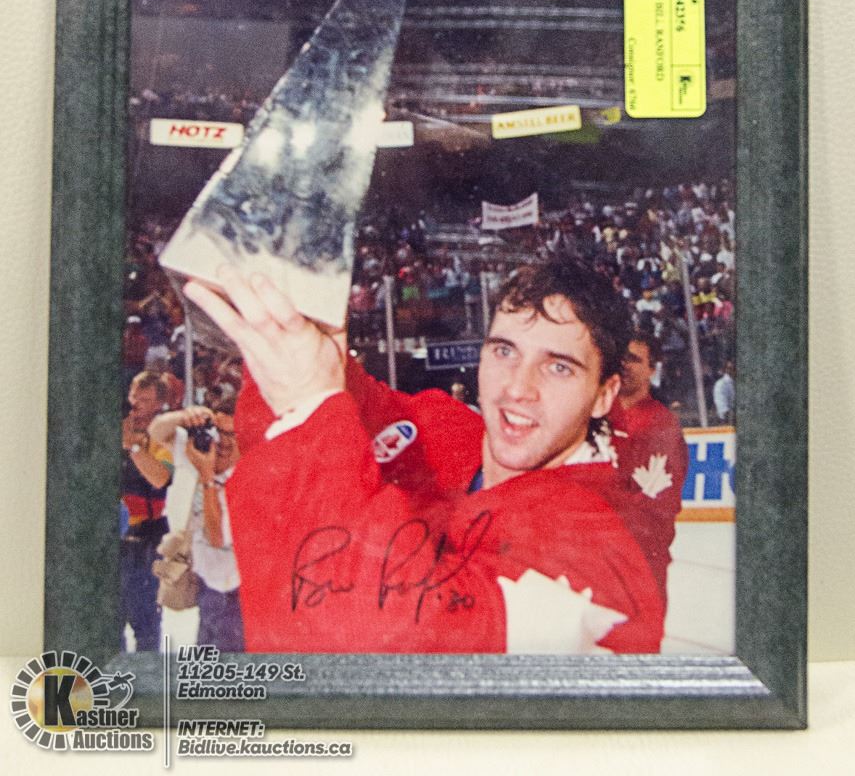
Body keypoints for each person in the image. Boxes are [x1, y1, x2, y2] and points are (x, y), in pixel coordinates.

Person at [184, 258, 665, 655]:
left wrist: (309, 404)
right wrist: (296, 330)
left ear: (604, 395)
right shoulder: (445, 430)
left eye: (558, 367)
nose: (518, 388)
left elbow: (364, 654)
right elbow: (341, 401)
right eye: (504, 351)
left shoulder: (600, 547)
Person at [150, 399, 245, 651]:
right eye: (219, 432)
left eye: (233, 434)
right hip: (203, 581)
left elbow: (217, 537)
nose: (224, 442)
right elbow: (156, 431)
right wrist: (185, 416)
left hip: (234, 591)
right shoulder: (199, 450)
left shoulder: (246, 476)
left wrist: (206, 476)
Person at [607, 333, 688, 595]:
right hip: (595, 558)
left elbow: (658, 503)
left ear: (652, 369)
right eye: (621, 358)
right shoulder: (596, 414)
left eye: (634, 359)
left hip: (638, 562)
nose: (624, 365)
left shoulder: (661, 426)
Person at [121, 371, 173, 651]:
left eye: (144, 399)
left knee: (146, 623)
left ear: (158, 404)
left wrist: (132, 446)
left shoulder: (165, 437)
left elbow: (160, 478)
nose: (135, 404)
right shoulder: (119, 426)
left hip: (147, 539)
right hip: (116, 535)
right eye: (134, 396)